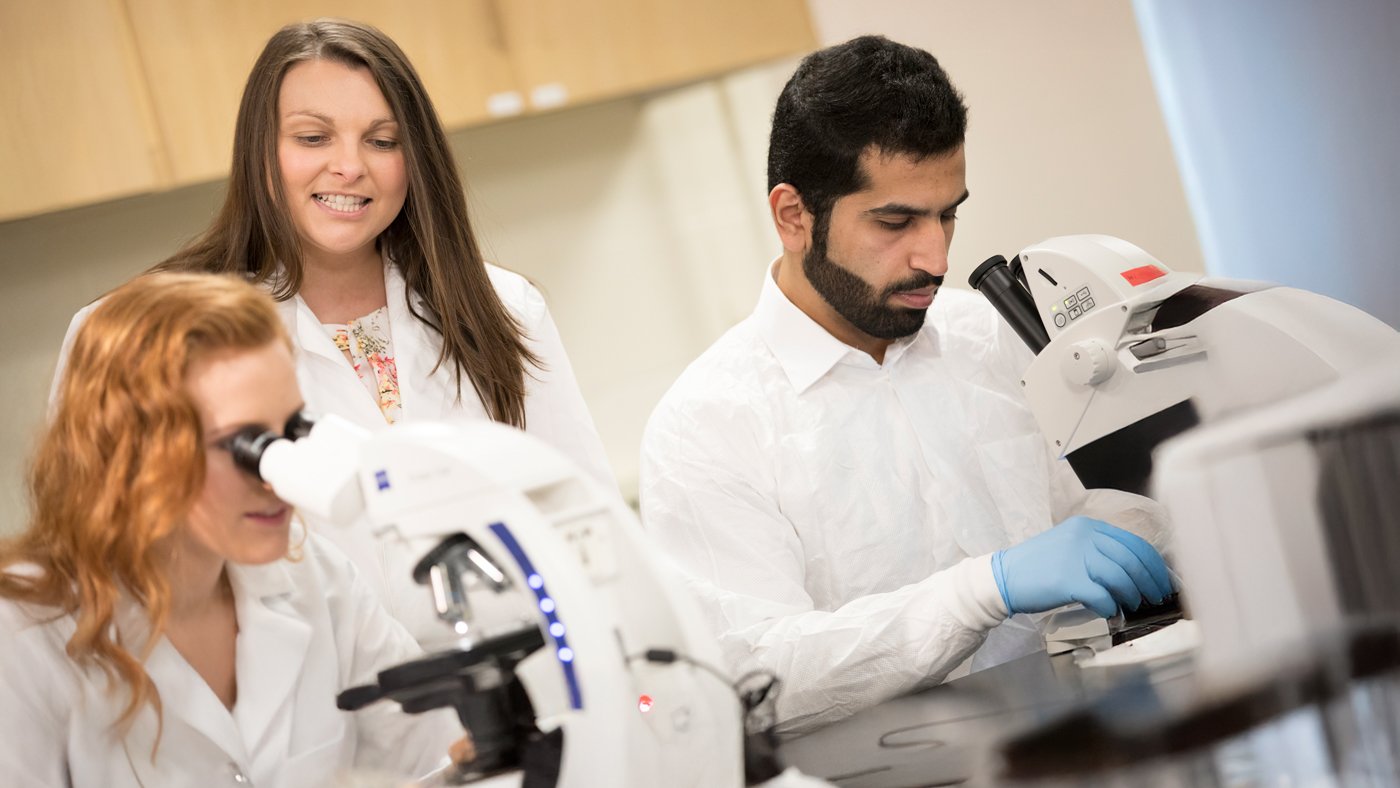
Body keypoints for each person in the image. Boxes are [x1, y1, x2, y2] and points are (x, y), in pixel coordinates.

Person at [639, 36, 1174, 733]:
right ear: (793, 216)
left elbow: (1079, 524)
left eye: (948, 212)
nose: (936, 256)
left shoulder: (989, 336)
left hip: (1078, 745)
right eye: (896, 221)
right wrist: (982, 589)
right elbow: (757, 681)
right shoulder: (705, 426)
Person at [53, 18, 613, 645]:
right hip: (306, 720)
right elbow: (102, 574)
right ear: (260, 150)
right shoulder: (139, 337)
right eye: (313, 137)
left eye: (382, 141)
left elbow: (589, 525)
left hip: (522, 694)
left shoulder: (501, 305)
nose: (349, 167)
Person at [3, 273, 470, 786]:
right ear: (132, 454)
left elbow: (437, 754)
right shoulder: (23, 637)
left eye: (292, 431)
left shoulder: (313, 573)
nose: (278, 476)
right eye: (245, 446)